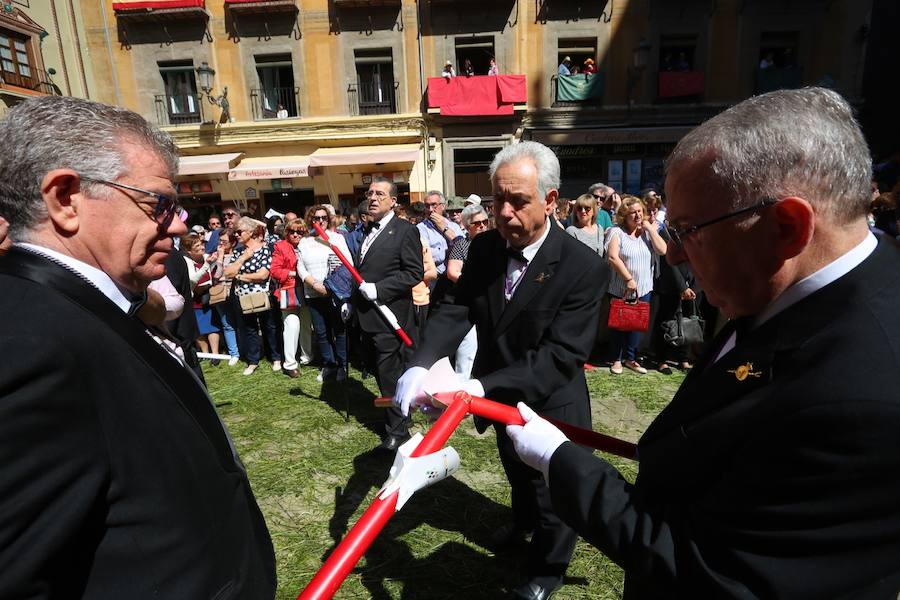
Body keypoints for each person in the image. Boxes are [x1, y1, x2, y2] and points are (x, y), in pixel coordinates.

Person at [505, 87, 900, 598]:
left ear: (787, 226)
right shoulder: (786, 288)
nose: (673, 256)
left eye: (689, 229)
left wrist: (562, 462)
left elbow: (709, 570)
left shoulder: (864, 400)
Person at [0, 95, 275, 597]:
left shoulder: (78, 306)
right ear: (65, 199)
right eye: (158, 203)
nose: (180, 223)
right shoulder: (27, 343)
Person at [395, 141, 608, 600]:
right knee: (515, 470)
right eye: (498, 200)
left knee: (554, 491)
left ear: (551, 200)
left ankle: (547, 572)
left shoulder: (583, 267)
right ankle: (522, 523)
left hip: (551, 401)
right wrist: (419, 364)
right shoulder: (487, 246)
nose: (505, 213)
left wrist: (476, 385)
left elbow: (560, 357)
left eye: (519, 201)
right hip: (495, 395)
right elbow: (456, 307)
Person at [356, 177, 423, 451]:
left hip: (390, 316)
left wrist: (380, 289)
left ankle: (398, 431)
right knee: (380, 371)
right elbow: (363, 271)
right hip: (367, 315)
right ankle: (394, 415)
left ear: (393, 201)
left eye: (380, 194)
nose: (372, 198)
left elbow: (414, 273)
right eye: (370, 193)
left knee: (390, 374)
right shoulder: (367, 230)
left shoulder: (404, 231)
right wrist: (352, 299)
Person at [605, 196, 667, 375]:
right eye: (633, 212)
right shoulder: (616, 232)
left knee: (636, 324)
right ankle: (616, 358)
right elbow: (612, 257)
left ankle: (631, 358)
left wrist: (650, 228)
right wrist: (628, 279)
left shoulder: (647, 232)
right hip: (620, 287)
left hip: (644, 288)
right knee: (619, 324)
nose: (638, 215)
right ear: (625, 215)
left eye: (640, 211)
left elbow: (663, 250)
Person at [297, 206, 353, 382]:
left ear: (328, 219)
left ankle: (343, 365)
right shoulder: (304, 242)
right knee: (321, 332)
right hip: (313, 292)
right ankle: (329, 364)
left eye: (323, 218)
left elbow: (347, 263)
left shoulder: (336, 238)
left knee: (339, 330)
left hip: (334, 292)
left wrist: (329, 285)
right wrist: (313, 282)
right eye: (316, 218)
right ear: (310, 220)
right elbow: (300, 266)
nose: (320, 221)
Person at [225, 216, 282, 375]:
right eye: (235, 232)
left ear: (250, 232)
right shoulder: (239, 252)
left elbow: (263, 275)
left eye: (239, 232)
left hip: (263, 295)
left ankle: (276, 357)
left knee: (269, 327)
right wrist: (243, 257)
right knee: (249, 328)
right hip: (243, 297)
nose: (236, 235)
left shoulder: (265, 248)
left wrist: (241, 276)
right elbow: (227, 272)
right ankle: (252, 360)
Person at [445, 203, 489, 380]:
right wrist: (475, 284)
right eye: (476, 223)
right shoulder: (462, 245)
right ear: (466, 225)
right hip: (469, 304)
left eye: (485, 221)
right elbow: (452, 272)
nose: (482, 226)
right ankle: (462, 394)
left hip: (492, 304)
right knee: (468, 351)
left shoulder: (498, 243)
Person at [270, 218, 308, 378]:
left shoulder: (308, 245)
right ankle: (290, 363)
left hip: (308, 289)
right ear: (286, 233)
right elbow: (275, 271)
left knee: (307, 323)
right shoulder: (281, 247)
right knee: (292, 325)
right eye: (292, 231)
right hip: (290, 290)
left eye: (299, 231)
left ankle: (307, 357)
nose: (295, 234)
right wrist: (293, 273)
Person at [181, 232, 222, 359]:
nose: (201, 247)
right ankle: (206, 353)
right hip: (194, 300)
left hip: (208, 296)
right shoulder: (186, 261)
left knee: (212, 326)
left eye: (201, 244)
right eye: (197, 246)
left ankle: (215, 355)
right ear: (189, 250)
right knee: (199, 329)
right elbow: (192, 280)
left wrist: (218, 261)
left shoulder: (207, 257)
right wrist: (206, 266)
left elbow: (217, 274)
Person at [213, 226, 242, 365]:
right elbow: (216, 276)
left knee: (241, 322)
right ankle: (234, 353)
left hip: (236, 292)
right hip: (220, 294)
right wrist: (219, 259)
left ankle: (244, 349)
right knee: (227, 324)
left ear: (233, 243)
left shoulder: (238, 255)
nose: (221, 244)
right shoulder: (215, 257)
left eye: (224, 242)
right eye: (220, 241)